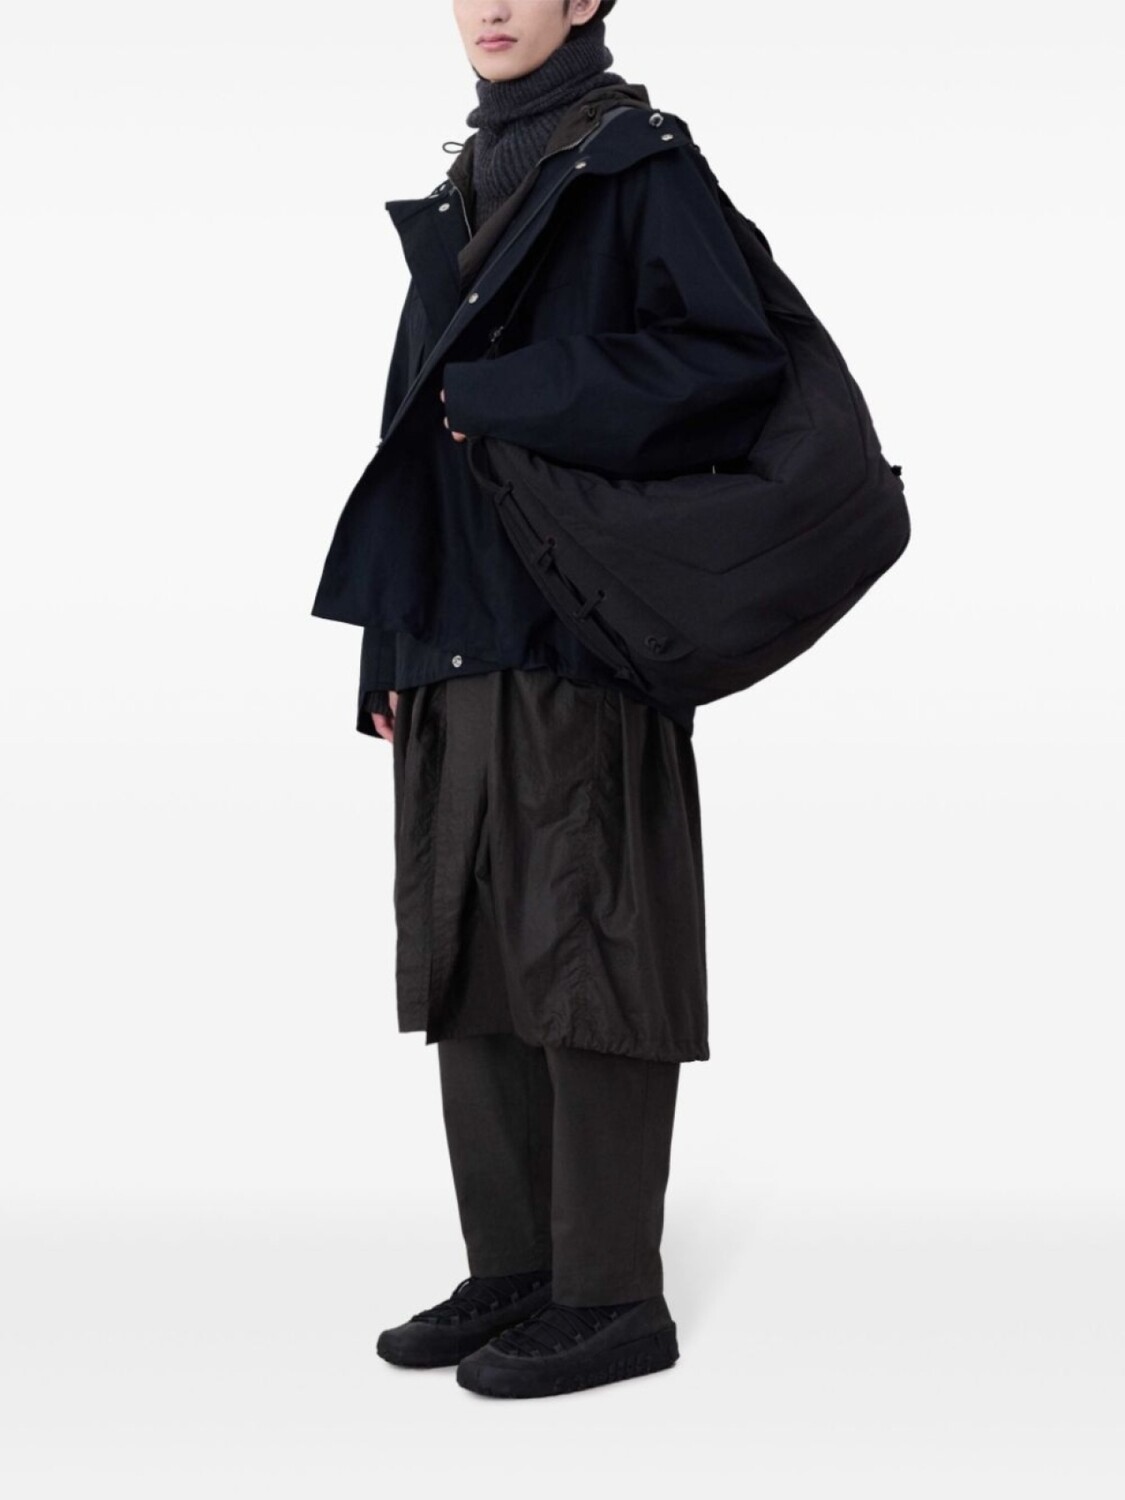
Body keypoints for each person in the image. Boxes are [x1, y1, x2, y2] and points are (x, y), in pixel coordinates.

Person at [310, 0, 787, 1399]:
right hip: (452, 637)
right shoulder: (471, 175)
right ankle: (515, 1268)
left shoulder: (638, 163)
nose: (491, 7)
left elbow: (729, 365)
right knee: (469, 958)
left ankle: (611, 1296)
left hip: (582, 628)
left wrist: (521, 391)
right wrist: (387, 646)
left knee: (591, 950)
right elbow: (413, 429)